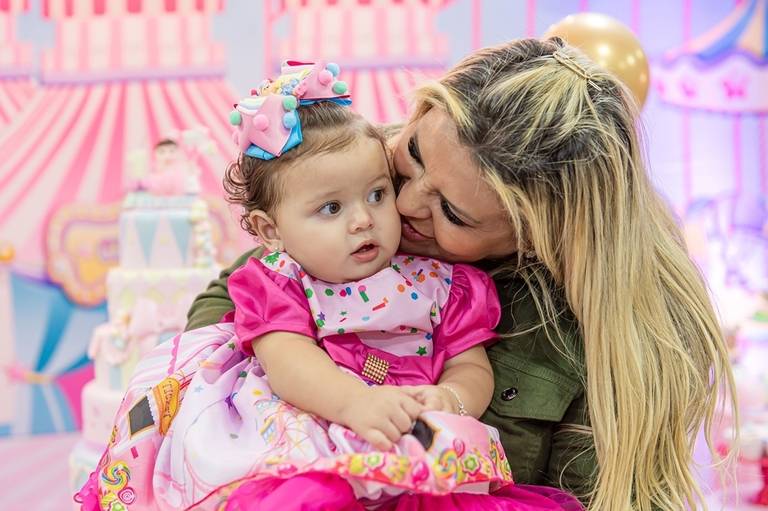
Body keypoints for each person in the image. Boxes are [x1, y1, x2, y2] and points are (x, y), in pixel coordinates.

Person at [185, 39, 738, 510]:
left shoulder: (617, 336)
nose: (401, 204)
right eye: (413, 155)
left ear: (536, 238)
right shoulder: (357, 172)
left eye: (452, 212)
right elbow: (234, 301)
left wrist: (450, 400)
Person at [75, 60, 581, 511]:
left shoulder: (448, 286)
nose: (366, 219)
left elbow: (468, 362)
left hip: (417, 447)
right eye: (332, 208)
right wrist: (353, 403)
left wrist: (454, 397)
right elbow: (288, 358)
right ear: (271, 231)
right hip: (314, 438)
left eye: (377, 194)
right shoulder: (282, 279)